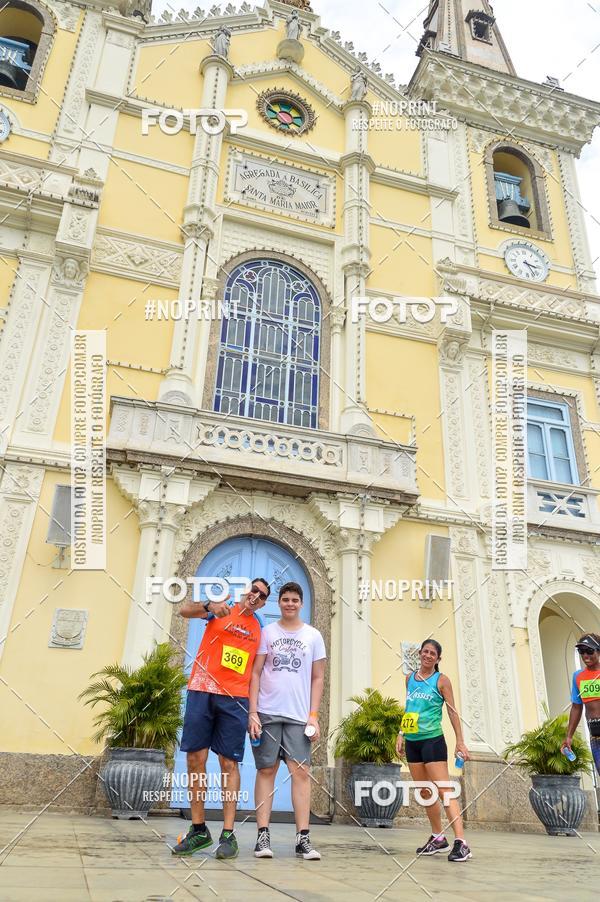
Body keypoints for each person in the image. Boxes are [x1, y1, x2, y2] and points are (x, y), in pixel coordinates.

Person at [171, 577, 271, 859]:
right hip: (201, 689)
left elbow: (257, 673)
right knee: (194, 758)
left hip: (235, 699)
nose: (255, 596)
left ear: (264, 603)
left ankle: (228, 834)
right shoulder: (220, 608)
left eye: (262, 596)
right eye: (253, 590)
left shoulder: (260, 628)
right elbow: (184, 611)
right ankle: (199, 829)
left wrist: (254, 710)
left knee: (229, 762)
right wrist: (209, 605)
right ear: (245, 590)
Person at [248, 581, 326, 861]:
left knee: (301, 773)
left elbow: (318, 678)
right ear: (278, 603)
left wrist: (314, 716)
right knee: (266, 770)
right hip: (268, 712)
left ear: (301, 604)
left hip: (298, 716)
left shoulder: (314, 636)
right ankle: (262, 836)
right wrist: (253, 712)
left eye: (294, 600)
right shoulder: (267, 632)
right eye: (285, 599)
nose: (290, 604)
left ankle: (303, 838)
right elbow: (255, 673)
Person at [395, 639, 472, 863]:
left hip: (432, 742)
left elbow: (452, 712)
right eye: (425, 652)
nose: (428, 656)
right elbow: (409, 708)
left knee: (444, 790)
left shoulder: (442, 681)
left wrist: (460, 741)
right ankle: (438, 837)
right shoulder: (409, 679)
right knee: (425, 792)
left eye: (433, 654)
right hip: (413, 742)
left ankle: (461, 842)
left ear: (438, 659)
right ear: (420, 654)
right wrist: (401, 733)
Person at [562, 633, 600, 777]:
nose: (585, 655)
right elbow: (577, 707)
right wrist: (569, 736)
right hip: (595, 734)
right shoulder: (578, 676)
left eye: (589, 651)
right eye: (581, 651)